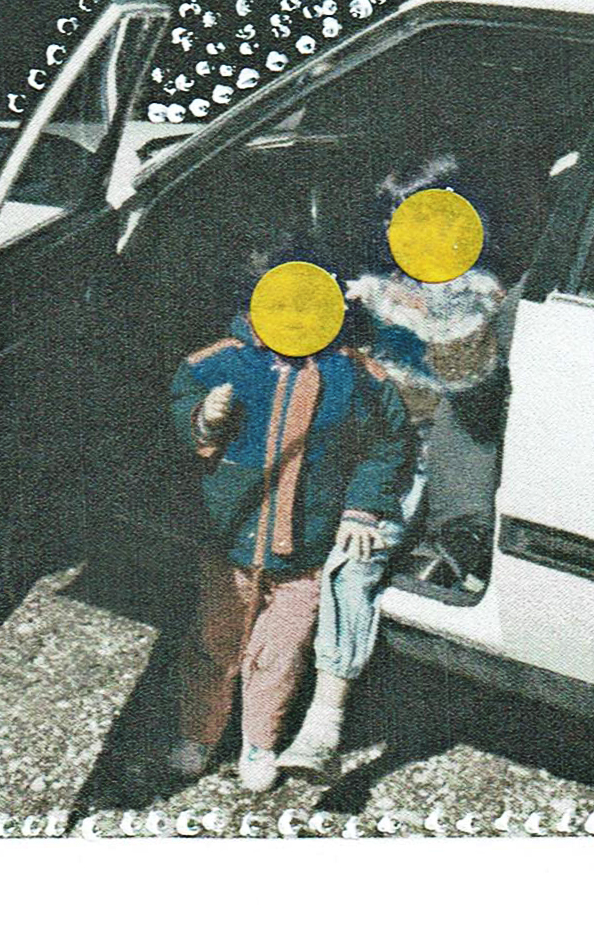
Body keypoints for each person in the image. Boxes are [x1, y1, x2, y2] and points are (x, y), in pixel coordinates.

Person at [278, 158, 512, 777]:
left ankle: (323, 723)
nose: (404, 236)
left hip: (411, 448)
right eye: (396, 221)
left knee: (351, 567)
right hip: (354, 437)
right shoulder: (380, 280)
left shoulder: (477, 296)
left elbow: (464, 371)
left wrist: (383, 300)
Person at [165, 279, 412, 792]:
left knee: (281, 653)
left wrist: (363, 508)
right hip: (229, 543)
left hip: (305, 550)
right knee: (215, 641)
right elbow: (180, 398)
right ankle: (199, 732)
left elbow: (388, 442)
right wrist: (203, 418)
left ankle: (260, 742)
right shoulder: (224, 360)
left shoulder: (357, 377)